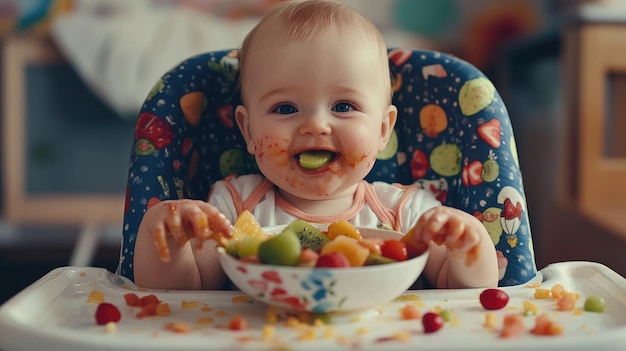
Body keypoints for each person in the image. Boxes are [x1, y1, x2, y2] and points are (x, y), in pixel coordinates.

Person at [133, 0, 499, 291]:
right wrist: (165, 237)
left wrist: (470, 243)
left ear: (383, 129)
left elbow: (468, 292)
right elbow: (181, 295)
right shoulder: (232, 209)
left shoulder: (407, 215)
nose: (315, 125)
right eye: (285, 108)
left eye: (344, 106)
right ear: (247, 130)